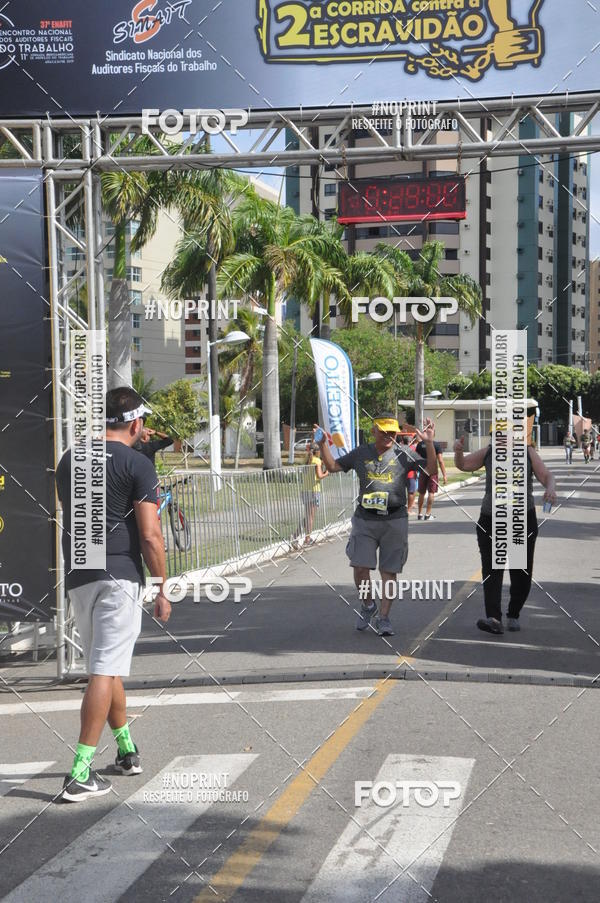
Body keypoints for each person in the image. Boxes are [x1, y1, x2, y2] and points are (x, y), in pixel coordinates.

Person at [55, 387, 171, 802]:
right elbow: (152, 535)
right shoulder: (138, 463)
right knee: (104, 670)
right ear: (137, 424)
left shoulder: (70, 458)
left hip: (79, 575)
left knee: (105, 664)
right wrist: (161, 587)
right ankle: (80, 771)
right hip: (120, 574)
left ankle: (125, 750)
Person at [315, 413, 437, 637]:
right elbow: (332, 466)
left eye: (392, 432)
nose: (389, 436)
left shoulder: (403, 453)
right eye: (384, 432)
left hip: (395, 519)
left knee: (388, 572)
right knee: (360, 567)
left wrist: (429, 443)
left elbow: (431, 470)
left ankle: (384, 618)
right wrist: (323, 445)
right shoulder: (362, 453)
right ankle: (368, 604)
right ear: (374, 431)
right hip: (365, 519)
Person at [454, 430, 557, 635]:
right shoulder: (489, 453)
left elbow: (546, 475)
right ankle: (494, 618)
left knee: (521, 572)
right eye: (496, 434)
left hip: (520, 520)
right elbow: (463, 465)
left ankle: (514, 613)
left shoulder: (527, 452)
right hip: (491, 518)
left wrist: (551, 488)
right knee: (492, 570)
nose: (500, 438)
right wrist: (457, 452)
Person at [298, 443, 328, 545]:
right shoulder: (317, 461)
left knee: (307, 515)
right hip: (314, 491)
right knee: (310, 516)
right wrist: (327, 472)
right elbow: (319, 476)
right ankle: (307, 538)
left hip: (305, 490)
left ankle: (296, 535)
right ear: (318, 452)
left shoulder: (306, 460)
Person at [416, 426, 447, 521]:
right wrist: (444, 475)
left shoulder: (420, 445)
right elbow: (440, 461)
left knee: (421, 493)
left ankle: (420, 514)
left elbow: (416, 459)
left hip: (422, 470)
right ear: (434, 434)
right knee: (431, 492)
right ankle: (428, 514)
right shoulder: (436, 445)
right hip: (432, 471)